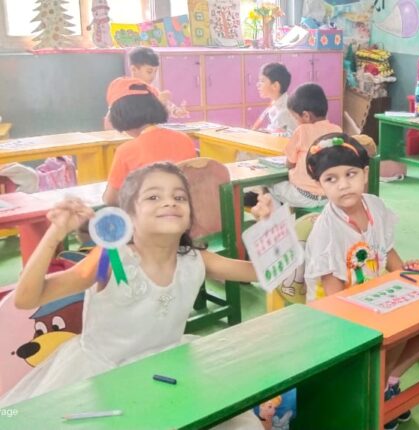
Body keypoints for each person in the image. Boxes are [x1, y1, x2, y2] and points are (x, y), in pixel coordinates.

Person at [0, 162, 274, 429]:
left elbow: (264, 272)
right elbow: (26, 299)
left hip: (167, 368)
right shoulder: (111, 259)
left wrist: (269, 228)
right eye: (153, 196)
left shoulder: (196, 259)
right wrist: (55, 233)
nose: (170, 202)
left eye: (179, 197)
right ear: (128, 216)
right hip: (100, 376)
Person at [302, 133, 419, 430]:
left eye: (350, 174)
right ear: (319, 186)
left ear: (365, 174)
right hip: (338, 315)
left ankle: (387, 384)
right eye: (331, 179)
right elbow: (334, 301)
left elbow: (387, 251)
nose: (343, 184)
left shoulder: (375, 207)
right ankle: (373, 399)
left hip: (377, 299)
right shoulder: (327, 230)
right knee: (394, 335)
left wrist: (405, 275)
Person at [102, 78, 196, 206]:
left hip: (150, 216)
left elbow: (110, 199)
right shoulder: (184, 139)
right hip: (183, 212)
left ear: (120, 116)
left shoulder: (126, 151)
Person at [266, 83, 341, 209]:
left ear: (306, 115)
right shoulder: (337, 130)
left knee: (270, 185)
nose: (296, 122)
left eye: (296, 118)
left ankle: (280, 219)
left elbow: (290, 164)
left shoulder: (301, 131)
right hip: (328, 196)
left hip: (302, 196)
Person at [104, 47, 187, 129]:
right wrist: (158, 103)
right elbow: (133, 114)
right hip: (119, 131)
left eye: (155, 71)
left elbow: (167, 106)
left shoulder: (151, 90)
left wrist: (176, 111)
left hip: (142, 133)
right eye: (149, 72)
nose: (153, 76)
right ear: (134, 69)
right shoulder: (122, 87)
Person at [251, 63, 299, 136]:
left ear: (275, 86)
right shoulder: (276, 104)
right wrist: (267, 131)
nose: (258, 84)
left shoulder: (286, 110)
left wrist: (270, 134)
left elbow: (293, 136)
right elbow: (277, 129)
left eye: (262, 81)